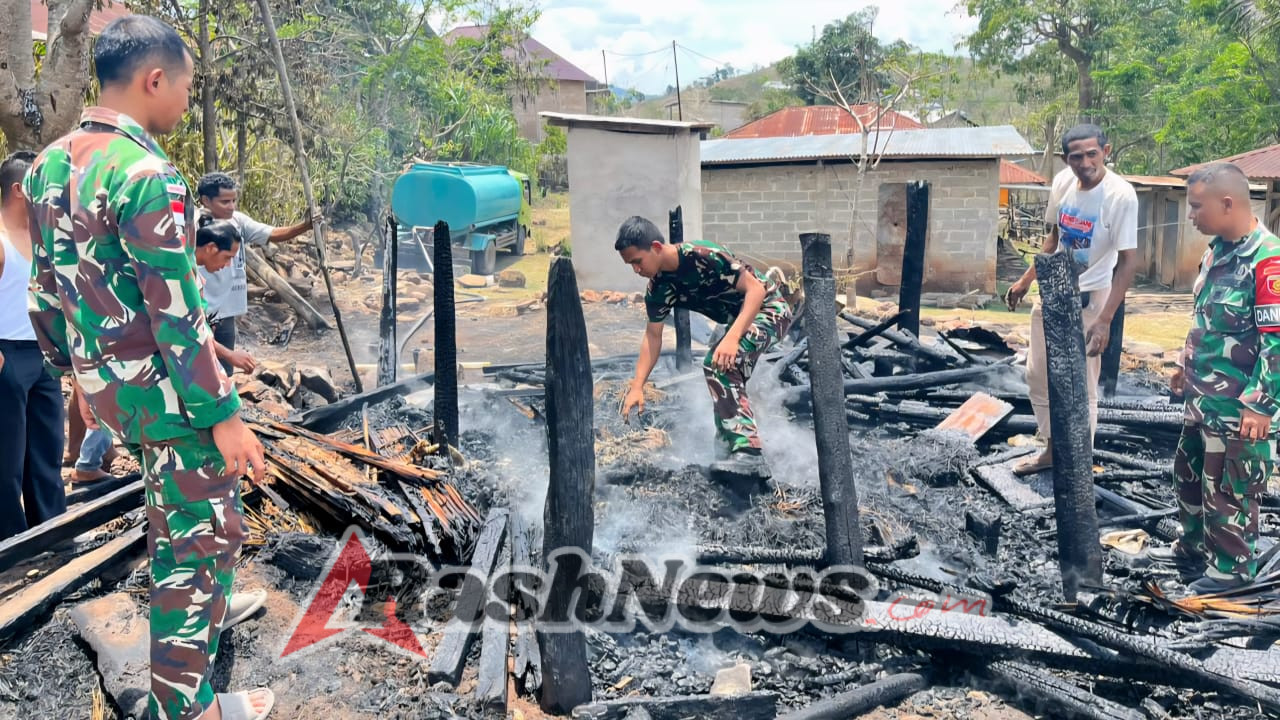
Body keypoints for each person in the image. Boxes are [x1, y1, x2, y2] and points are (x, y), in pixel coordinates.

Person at [24, 15, 273, 720]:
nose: (188, 102)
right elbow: (178, 315)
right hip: (170, 398)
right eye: (187, 88)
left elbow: (44, 294)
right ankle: (187, 707)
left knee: (177, 524)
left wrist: (81, 376)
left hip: (108, 391)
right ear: (154, 79)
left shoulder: (47, 166)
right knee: (199, 540)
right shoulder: (147, 174)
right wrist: (224, 415)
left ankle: (205, 614)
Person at [1158, 162, 1280, 595]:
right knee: (1189, 476)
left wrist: (1260, 405)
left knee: (1229, 488)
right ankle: (1193, 548)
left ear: (1228, 203)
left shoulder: (1267, 260)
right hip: (1202, 399)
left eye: (1196, 207)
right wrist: (1183, 364)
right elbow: (1204, 319)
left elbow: (1276, 341)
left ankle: (1231, 570)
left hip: (1238, 409)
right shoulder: (1216, 252)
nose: (1190, 215)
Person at [1005, 124, 1138, 475]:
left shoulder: (1120, 196)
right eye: (1076, 157)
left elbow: (1128, 262)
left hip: (1091, 299)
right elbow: (1054, 237)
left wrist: (1105, 320)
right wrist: (1025, 280)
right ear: (1066, 159)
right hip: (1053, 291)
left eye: (1092, 154)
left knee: (1082, 385)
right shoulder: (1063, 182)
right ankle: (1052, 449)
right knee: (1038, 375)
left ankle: (1078, 465)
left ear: (1105, 152)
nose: (1085, 163)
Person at [616, 216, 792, 480]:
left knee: (717, 364)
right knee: (723, 380)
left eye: (637, 261)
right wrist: (638, 385)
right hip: (738, 321)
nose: (636, 270)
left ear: (655, 247)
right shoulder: (658, 289)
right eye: (630, 265)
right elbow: (653, 336)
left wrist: (732, 338)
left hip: (769, 309)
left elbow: (755, 290)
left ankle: (750, 454)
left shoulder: (702, 255)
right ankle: (729, 453)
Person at [0, 150, 66, 539]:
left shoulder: (42, 237)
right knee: (7, 456)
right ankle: (10, 540)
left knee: (46, 449)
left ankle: (52, 531)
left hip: (42, 355)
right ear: (18, 190)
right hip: (7, 355)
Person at [195, 172, 316, 374]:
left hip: (224, 312)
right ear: (206, 200)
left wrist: (306, 225)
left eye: (234, 201)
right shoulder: (191, 225)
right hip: (199, 308)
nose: (231, 206)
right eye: (225, 202)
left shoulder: (237, 221)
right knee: (201, 364)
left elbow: (272, 233)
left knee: (224, 371)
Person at [196, 216, 257, 375]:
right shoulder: (182, 275)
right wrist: (230, 355)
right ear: (210, 248)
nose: (228, 265)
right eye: (227, 257)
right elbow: (192, 331)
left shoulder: (195, 275)